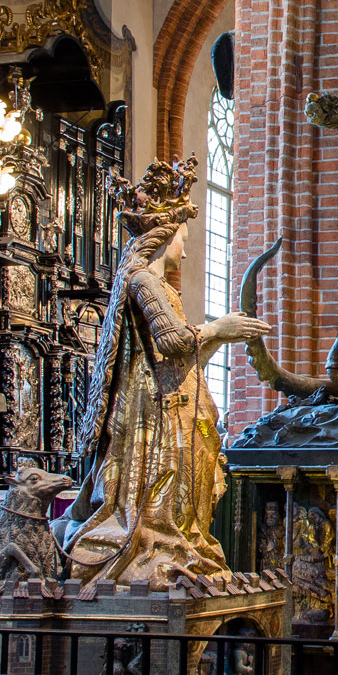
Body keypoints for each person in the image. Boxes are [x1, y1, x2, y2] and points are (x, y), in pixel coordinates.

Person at [55, 157, 271, 589]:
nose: (185, 252)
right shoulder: (143, 280)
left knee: (179, 491)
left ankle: (173, 545)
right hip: (151, 411)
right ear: (165, 236)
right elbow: (172, 341)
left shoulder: (156, 283)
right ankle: (149, 548)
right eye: (182, 241)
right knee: (158, 488)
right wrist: (218, 328)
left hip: (165, 400)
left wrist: (219, 337)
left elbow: (181, 355)